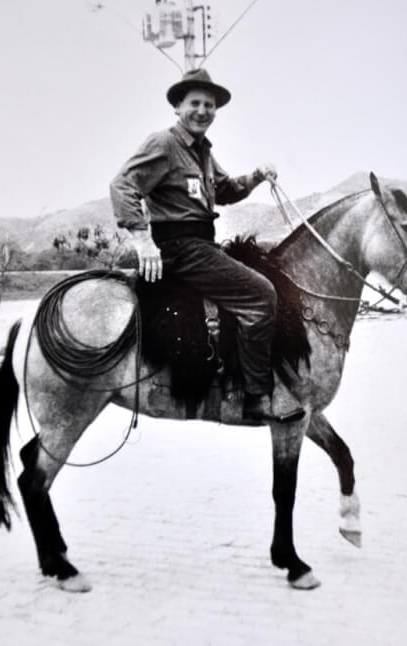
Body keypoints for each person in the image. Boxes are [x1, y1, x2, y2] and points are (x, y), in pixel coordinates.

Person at [110, 68, 304, 424]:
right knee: (262, 295)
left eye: (209, 105)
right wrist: (142, 239)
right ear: (178, 107)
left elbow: (225, 190)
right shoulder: (164, 144)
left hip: (202, 244)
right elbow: (122, 186)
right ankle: (256, 396)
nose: (202, 111)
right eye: (195, 103)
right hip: (181, 248)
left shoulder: (202, 152)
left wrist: (256, 177)